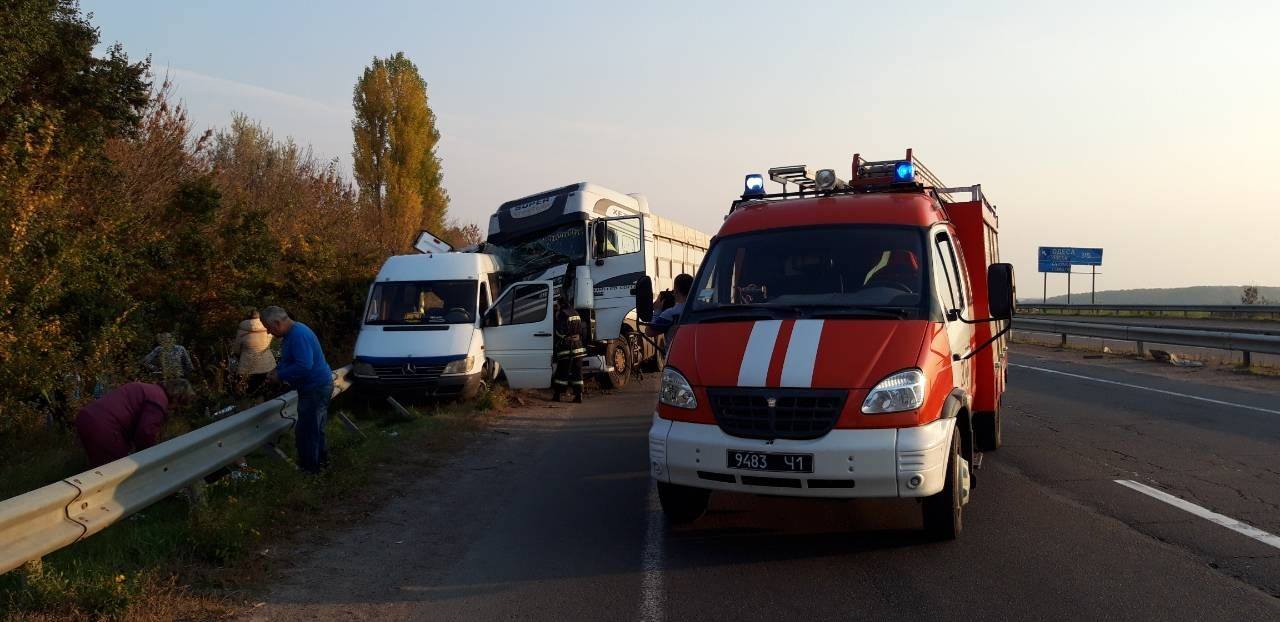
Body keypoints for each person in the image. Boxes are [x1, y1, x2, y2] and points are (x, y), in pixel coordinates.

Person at [261, 305, 334, 473]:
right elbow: (292, 360)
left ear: (277, 323)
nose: (268, 333)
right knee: (315, 429)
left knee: (306, 432)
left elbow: (304, 365)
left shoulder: (298, 335)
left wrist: (280, 376)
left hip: (315, 388)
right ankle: (322, 464)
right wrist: (278, 370)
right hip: (317, 386)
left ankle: (311, 471)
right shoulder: (294, 333)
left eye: (269, 328)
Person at [75, 379, 195, 467]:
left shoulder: (147, 388)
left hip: (86, 417)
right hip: (104, 426)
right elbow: (145, 433)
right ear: (177, 399)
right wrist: (151, 458)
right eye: (177, 407)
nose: (172, 411)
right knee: (118, 470)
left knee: (99, 468)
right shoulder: (158, 401)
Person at [232, 308, 276, 396]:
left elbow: (236, 350)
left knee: (248, 393)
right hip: (268, 364)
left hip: (248, 367)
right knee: (266, 392)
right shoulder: (267, 326)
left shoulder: (242, 330)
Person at [551, 300, 586, 403]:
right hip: (578, 346)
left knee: (561, 372)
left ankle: (557, 395)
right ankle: (579, 395)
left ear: (560, 305)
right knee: (577, 373)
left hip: (567, 347)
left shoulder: (562, 314)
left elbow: (559, 332)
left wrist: (558, 341)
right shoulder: (575, 312)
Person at [647, 273, 693, 343]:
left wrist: (657, 311)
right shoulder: (703, 309)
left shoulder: (670, 314)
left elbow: (649, 332)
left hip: (677, 352)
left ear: (676, 290)